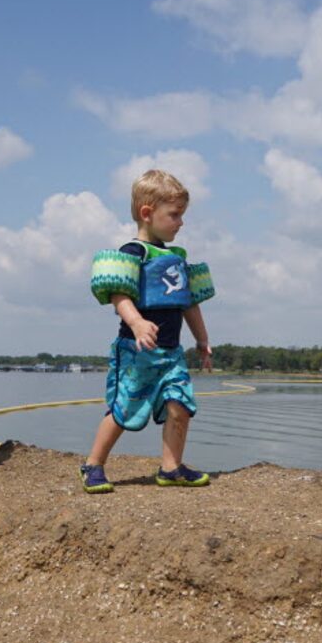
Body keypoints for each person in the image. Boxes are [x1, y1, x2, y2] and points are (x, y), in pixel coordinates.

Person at [80, 170, 216, 493]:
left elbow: (189, 303)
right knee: (124, 408)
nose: (180, 223)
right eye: (174, 215)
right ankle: (93, 464)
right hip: (137, 351)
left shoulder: (176, 258)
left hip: (172, 353)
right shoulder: (133, 252)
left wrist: (202, 339)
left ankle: (171, 467)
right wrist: (137, 322)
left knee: (180, 405)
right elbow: (119, 295)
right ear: (147, 213)